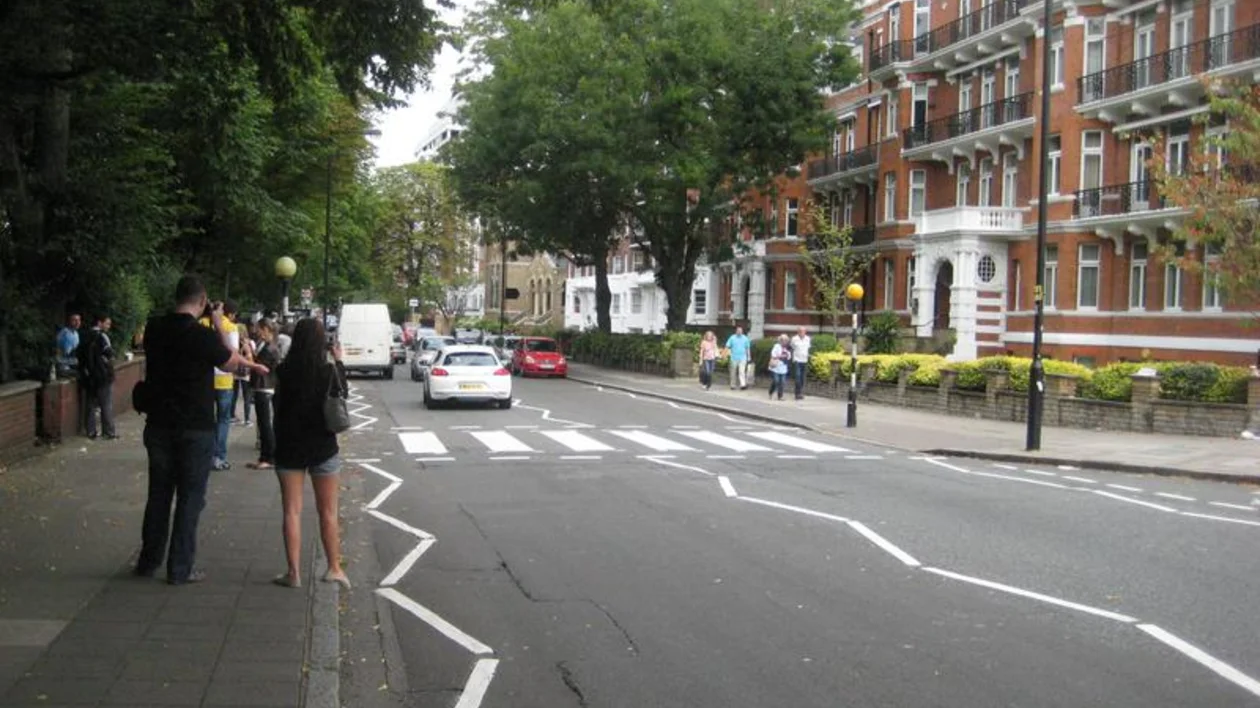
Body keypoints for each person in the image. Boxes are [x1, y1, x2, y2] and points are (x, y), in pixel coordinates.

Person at [135, 276, 267, 585]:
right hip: (195, 426)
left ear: (176, 296)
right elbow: (231, 363)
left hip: (158, 423)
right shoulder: (202, 335)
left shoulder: (154, 328)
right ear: (203, 300)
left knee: (158, 494)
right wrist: (218, 322)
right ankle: (180, 568)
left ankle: (148, 561)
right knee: (190, 498)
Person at [271, 318, 349, 589]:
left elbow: (277, 407)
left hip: (289, 448)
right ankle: (334, 568)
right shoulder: (328, 371)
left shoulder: (283, 371)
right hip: (323, 447)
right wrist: (339, 361)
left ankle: (293, 573)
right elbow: (342, 395)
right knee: (328, 512)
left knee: (291, 512)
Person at [201, 300, 241, 471]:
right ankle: (219, 457)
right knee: (223, 420)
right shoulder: (231, 327)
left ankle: (205, 455)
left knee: (206, 419)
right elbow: (234, 353)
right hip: (224, 380)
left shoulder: (201, 324)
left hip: (206, 379)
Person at [247, 319, 280, 471]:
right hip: (263, 387)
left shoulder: (270, 348)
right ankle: (264, 457)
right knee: (263, 423)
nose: (257, 331)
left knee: (265, 424)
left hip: (264, 387)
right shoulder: (268, 345)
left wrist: (249, 354)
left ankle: (269, 458)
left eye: (259, 328)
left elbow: (259, 366)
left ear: (266, 329)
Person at [78, 314, 117, 440]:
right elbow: (109, 354)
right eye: (107, 323)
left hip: (89, 376)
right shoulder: (102, 336)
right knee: (106, 404)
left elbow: (79, 355)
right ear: (99, 323)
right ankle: (109, 432)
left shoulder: (83, 335)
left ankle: (91, 431)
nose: (108, 326)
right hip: (102, 375)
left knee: (90, 404)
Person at [232, 318, 255, 428]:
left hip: (235, 372)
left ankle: (232, 416)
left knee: (234, 395)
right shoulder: (250, 342)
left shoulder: (233, 342)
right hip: (246, 373)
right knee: (247, 396)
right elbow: (252, 357)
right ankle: (247, 419)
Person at [725, 326, 751, 390]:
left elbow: (747, 348)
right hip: (733, 357)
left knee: (741, 371)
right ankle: (732, 385)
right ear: (736, 331)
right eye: (738, 331)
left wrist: (749, 356)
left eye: (741, 331)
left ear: (742, 331)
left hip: (743, 357)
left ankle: (743, 385)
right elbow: (727, 346)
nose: (739, 332)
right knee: (733, 372)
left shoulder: (745, 338)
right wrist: (725, 354)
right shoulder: (732, 338)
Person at [790, 326, 812, 401]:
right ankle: (797, 393)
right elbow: (792, 347)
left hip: (804, 360)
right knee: (797, 376)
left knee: (802, 378)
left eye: (803, 331)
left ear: (805, 332)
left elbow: (808, 348)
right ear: (798, 332)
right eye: (800, 331)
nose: (802, 333)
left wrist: (808, 355)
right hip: (797, 360)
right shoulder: (794, 339)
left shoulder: (808, 339)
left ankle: (800, 392)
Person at [55, 313, 81, 377]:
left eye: (79, 320)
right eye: (74, 320)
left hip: (71, 363)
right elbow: (65, 353)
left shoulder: (76, 333)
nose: (77, 322)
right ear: (69, 321)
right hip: (63, 366)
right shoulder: (65, 333)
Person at [768, 334, 791, 401]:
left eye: (786, 340)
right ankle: (771, 392)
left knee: (782, 382)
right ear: (780, 340)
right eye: (783, 340)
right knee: (776, 381)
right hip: (775, 367)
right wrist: (780, 356)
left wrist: (786, 355)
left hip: (783, 367)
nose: (784, 341)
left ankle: (780, 396)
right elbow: (773, 355)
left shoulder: (787, 348)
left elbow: (789, 357)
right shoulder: (776, 346)